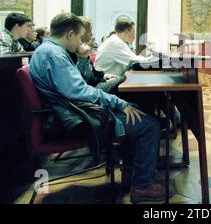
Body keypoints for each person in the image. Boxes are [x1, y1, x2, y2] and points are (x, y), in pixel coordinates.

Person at [29, 12, 168, 203]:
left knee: (137, 110)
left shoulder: (48, 50)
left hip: (72, 111)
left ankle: (132, 174)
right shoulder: (54, 55)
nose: (80, 40)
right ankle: (142, 186)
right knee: (148, 124)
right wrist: (120, 103)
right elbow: (80, 91)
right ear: (70, 34)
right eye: (78, 36)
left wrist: (83, 59)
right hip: (76, 119)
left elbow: (76, 83)